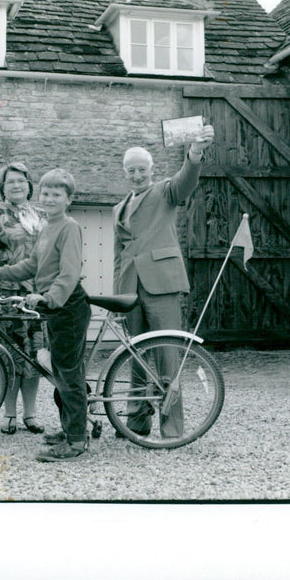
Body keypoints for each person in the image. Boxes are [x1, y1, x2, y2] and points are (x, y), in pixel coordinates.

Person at [113, 124, 215, 438]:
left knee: (167, 356)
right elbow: (119, 256)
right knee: (134, 357)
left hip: (162, 284)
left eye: (141, 169)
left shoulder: (165, 191)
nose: (136, 175)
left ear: (151, 169)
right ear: (124, 172)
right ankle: (136, 422)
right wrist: (116, 296)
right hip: (130, 289)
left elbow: (186, 181)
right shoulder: (118, 208)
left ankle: (172, 428)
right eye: (131, 170)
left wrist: (195, 152)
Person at [0, 168, 91, 462]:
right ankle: (72, 428)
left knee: (68, 376)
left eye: (57, 194)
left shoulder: (69, 227)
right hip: (56, 308)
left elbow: (69, 274)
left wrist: (48, 297)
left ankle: (76, 441)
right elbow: (33, 264)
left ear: (69, 199)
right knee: (61, 371)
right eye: (46, 193)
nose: (50, 198)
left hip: (66, 306)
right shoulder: (47, 226)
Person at [0, 162, 47, 435]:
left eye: (21, 180)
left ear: (29, 185)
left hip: (35, 294)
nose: (16, 185)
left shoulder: (40, 215)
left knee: (34, 356)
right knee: (10, 356)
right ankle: (9, 414)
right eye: (10, 181)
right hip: (5, 293)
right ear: (2, 187)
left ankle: (31, 414)